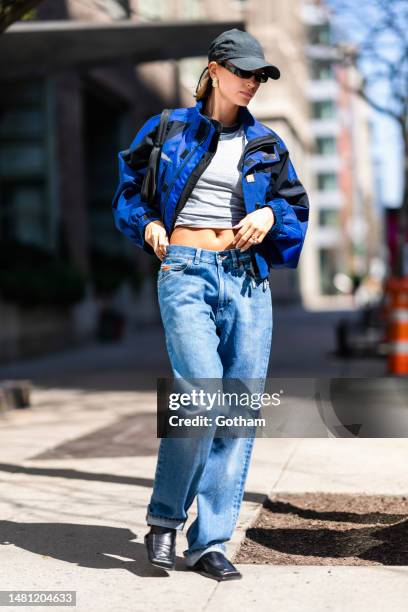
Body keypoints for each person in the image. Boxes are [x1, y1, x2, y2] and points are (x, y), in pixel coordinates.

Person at [112, 28, 310, 581]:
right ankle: (165, 519)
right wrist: (149, 225)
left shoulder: (267, 143)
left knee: (236, 414)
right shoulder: (168, 128)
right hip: (186, 272)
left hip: (247, 279)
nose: (252, 83)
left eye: (259, 76)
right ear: (214, 70)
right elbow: (129, 191)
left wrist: (270, 216)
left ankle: (210, 541)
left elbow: (295, 206)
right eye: (244, 72)